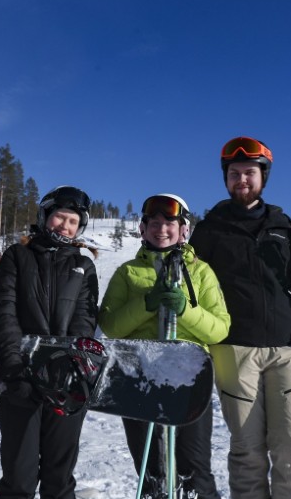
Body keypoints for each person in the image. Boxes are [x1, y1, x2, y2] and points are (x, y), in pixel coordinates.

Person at [190, 137, 291, 499]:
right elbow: (193, 286)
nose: (242, 180)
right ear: (225, 179)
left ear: (263, 176)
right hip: (233, 350)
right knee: (247, 450)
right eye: (234, 174)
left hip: (285, 350)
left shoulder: (282, 225)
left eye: (249, 172)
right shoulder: (209, 229)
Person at [99, 194, 231, 499]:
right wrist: (147, 304)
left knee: (194, 465)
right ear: (143, 229)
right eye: (154, 223)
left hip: (188, 377)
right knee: (151, 465)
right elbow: (110, 325)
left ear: (184, 230)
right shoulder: (128, 273)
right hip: (137, 376)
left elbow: (220, 329)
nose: (162, 229)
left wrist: (187, 310)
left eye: (170, 223)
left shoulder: (200, 272)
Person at [0, 185, 100, 499]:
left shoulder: (84, 266)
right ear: (45, 216)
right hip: (20, 377)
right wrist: (14, 369)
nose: (65, 226)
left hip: (66, 382)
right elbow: (4, 313)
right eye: (59, 217)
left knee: (59, 479)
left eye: (72, 222)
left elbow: (84, 319)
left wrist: (71, 368)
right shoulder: (17, 256)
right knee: (19, 480)